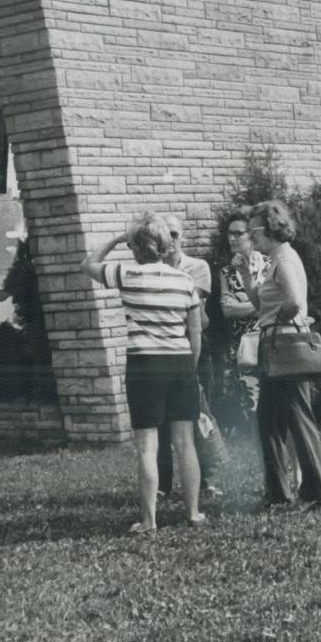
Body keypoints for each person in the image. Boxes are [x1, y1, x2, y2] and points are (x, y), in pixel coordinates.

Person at [84, 211, 205, 533]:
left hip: (145, 365)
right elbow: (196, 334)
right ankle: (193, 512)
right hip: (180, 364)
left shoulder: (126, 274)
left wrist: (114, 240)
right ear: (165, 245)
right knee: (186, 443)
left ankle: (150, 520)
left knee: (148, 446)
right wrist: (189, 369)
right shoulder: (185, 281)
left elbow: (88, 265)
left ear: (136, 247)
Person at [248, 200, 321, 511]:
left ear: (270, 228)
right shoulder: (274, 260)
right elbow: (261, 303)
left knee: (298, 418)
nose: (250, 236)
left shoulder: (284, 259)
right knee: (267, 421)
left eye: (253, 230)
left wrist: (280, 318)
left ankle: (317, 493)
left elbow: (294, 302)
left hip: (285, 346)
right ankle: (278, 492)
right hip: (275, 346)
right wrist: (247, 276)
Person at [157, 212, 216, 500]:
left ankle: (206, 479)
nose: (171, 241)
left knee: (199, 412)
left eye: (175, 234)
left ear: (182, 236)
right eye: (165, 236)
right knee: (160, 420)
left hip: (193, 343)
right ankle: (162, 484)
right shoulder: (149, 269)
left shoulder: (198, 266)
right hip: (164, 345)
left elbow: (195, 312)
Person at [217, 210, 268, 434]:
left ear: (251, 236)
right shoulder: (227, 272)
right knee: (250, 399)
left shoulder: (269, 264)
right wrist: (258, 304)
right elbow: (227, 310)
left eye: (238, 233)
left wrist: (245, 304)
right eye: (229, 234)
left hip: (267, 340)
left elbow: (273, 304)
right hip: (241, 345)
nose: (232, 238)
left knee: (271, 395)